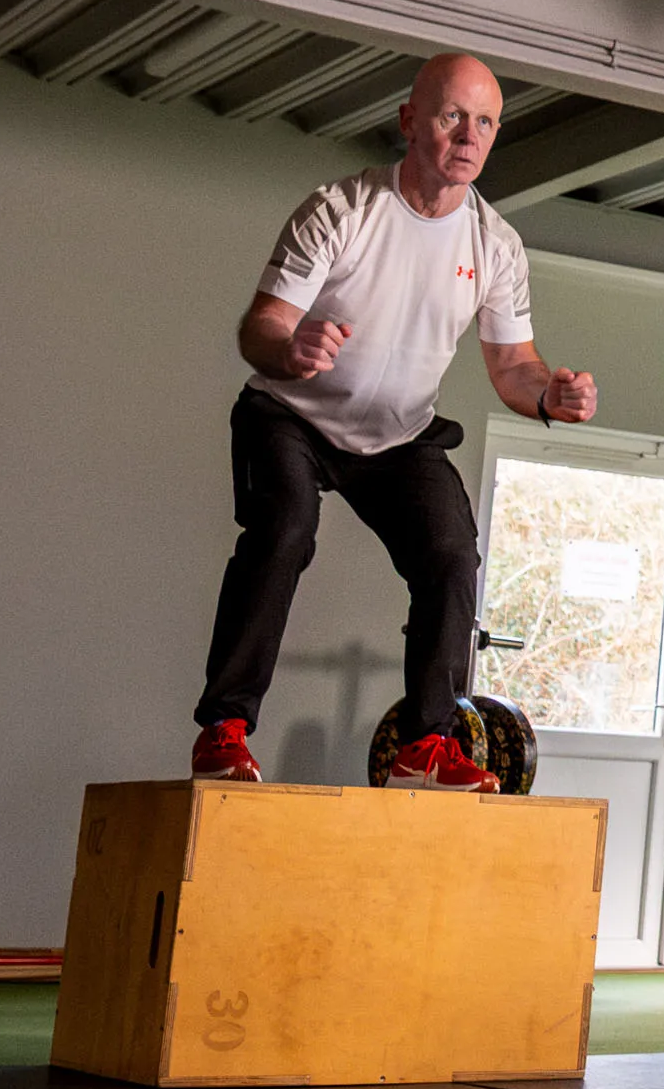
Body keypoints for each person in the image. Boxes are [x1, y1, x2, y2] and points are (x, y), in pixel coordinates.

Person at [188, 52, 595, 790]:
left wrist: (550, 396)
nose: (468, 137)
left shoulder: (494, 244)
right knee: (283, 532)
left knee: (450, 556)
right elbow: (260, 329)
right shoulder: (342, 212)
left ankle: (426, 746)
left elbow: (513, 367)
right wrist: (292, 347)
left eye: (485, 123)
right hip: (292, 416)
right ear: (411, 121)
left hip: (398, 437)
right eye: (451, 117)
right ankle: (225, 728)